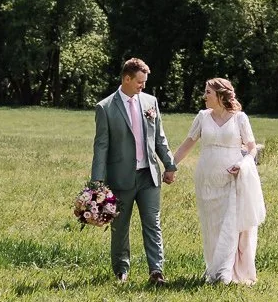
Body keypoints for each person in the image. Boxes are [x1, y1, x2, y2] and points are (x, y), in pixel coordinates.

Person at [171, 77, 265, 284]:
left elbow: (251, 148)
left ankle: (224, 273)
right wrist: (171, 165)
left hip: (232, 178)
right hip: (206, 179)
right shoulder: (202, 117)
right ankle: (213, 267)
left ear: (221, 95)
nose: (204, 96)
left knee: (229, 223)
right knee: (212, 226)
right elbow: (187, 144)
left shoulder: (240, 118)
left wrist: (243, 164)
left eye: (208, 92)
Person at [90, 58, 176, 284]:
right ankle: (121, 271)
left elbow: (159, 137)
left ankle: (156, 272)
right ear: (126, 79)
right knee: (120, 227)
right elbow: (101, 147)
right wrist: (96, 184)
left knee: (153, 224)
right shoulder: (105, 107)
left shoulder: (150, 102)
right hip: (121, 178)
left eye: (144, 82)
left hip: (149, 176)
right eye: (139, 82)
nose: (143, 86)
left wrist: (169, 164)